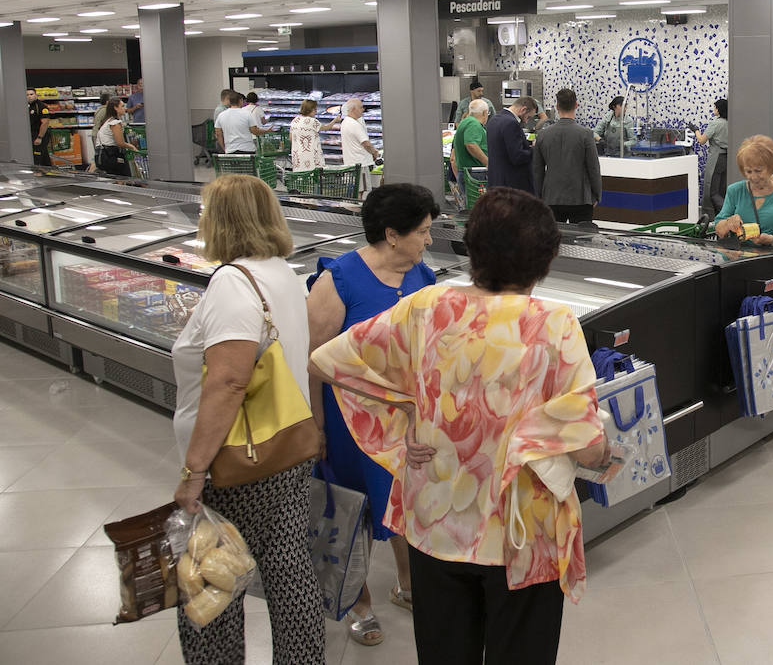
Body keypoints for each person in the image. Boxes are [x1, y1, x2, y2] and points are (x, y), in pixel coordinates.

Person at [310, 188, 610, 665]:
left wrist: (406, 411)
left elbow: (329, 360)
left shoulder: (426, 305)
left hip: (435, 520)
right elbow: (589, 445)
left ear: (472, 248)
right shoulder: (553, 324)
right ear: (541, 260)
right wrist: (605, 452)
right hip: (522, 534)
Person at [169, 174, 325, 665]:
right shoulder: (282, 271)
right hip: (287, 448)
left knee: (209, 581)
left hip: (238, 460)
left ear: (222, 221)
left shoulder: (234, 283)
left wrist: (195, 472)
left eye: (205, 212)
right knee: (289, 568)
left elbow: (229, 382)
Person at [306, 184, 439, 646]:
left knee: (403, 502)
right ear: (391, 234)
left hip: (403, 421)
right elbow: (315, 360)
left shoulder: (422, 275)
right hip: (349, 423)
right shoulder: (338, 280)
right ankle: (358, 603)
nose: (428, 240)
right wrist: (316, 426)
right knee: (354, 507)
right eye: (422, 232)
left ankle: (407, 585)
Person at [714, 135, 773, 247]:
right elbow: (719, 228)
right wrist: (728, 223)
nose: (754, 177)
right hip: (738, 260)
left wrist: (771, 239)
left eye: (758, 171)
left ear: (771, 167)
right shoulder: (735, 191)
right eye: (748, 171)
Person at [533, 88, 601, 224]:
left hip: (551, 197)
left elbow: (537, 170)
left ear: (557, 106)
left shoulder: (543, 135)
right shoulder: (586, 134)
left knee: (554, 240)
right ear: (576, 105)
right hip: (581, 197)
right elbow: (593, 168)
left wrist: (539, 196)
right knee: (582, 242)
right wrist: (596, 195)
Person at [486, 95, 538, 193]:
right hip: (511, 185)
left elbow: (504, 144)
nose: (526, 121)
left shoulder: (494, 120)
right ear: (523, 109)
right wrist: (534, 149)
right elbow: (517, 156)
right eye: (528, 117)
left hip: (496, 181)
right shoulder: (511, 123)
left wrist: (528, 143)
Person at [450, 99, 489, 207]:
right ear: (485, 113)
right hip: (475, 174)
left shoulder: (465, 122)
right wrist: (487, 162)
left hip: (466, 171)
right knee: (479, 208)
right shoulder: (474, 124)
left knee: (472, 208)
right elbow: (471, 144)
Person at [695, 98, 729, 219]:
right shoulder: (729, 122)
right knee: (722, 189)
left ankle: (719, 214)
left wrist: (696, 131)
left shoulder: (716, 123)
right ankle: (723, 215)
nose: (713, 109)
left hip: (716, 157)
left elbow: (702, 140)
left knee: (712, 190)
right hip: (726, 158)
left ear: (719, 109)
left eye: (715, 107)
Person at [289, 98, 340, 172]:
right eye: (315, 109)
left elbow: (291, 138)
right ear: (311, 109)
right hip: (311, 156)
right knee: (313, 175)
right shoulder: (313, 122)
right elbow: (326, 128)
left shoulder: (295, 121)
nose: (316, 112)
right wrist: (335, 120)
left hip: (298, 156)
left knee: (301, 177)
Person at [341, 98, 382, 190]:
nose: (363, 110)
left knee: (355, 190)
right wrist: (375, 152)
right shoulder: (355, 125)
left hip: (351, 163)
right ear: (353, 109)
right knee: (362, 191)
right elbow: (366, 144)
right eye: (360, 107)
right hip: (360, 164)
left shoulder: (345, 122)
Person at [94, 98, 140, 175]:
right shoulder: (115, 123)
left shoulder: (108, 121)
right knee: (124, 175)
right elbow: (120, 143)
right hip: (111, 156)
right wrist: (132, 147)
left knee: (116, 178)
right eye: (122, 106)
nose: (125, 108)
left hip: (102, 155)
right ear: (115, 108)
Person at [26, 89, 51, 167]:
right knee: (44, 156)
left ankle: (37, 175)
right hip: (31, 134)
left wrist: (39, 137)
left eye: (31, 94)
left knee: (37, 157)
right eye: (27, 95)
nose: (29, 96)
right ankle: (49, 172)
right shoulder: (26, 106)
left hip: (40, 134)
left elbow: (45, 122)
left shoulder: (41, 106)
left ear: (36, 95)